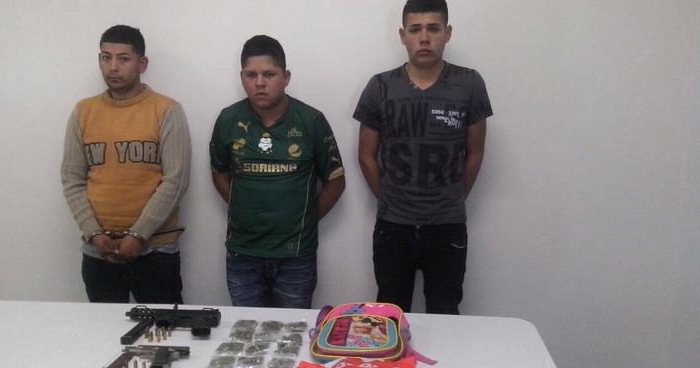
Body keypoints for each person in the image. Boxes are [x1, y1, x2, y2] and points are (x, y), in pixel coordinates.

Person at [354, 0, 493, 314]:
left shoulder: (469, 84)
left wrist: (453, 197)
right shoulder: (380, 86)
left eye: (433, 28)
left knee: (446, 313)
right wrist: (390, 198)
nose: (425, 38)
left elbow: (475, 153)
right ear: (402, 35)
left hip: (447, 226)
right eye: (415, 29)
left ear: (448, 32)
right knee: (389, 316)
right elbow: (365, 156)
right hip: (393, 226)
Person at [210, 35, 345, 309]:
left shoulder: (311, 121)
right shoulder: (228, 119)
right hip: (243, 253)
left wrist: (304, 219)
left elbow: (335, 181)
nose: (259, 83)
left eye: (269, 74)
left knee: (293, 332)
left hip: (296, 256)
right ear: (242, 77)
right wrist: (242, 207)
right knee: (247, 331)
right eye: (251, 75)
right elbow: (219, 172)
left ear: (286, 77)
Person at [61, 25, 191, 304]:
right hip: (99, 249)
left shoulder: (166, 110)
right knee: (103, 329)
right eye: (105, 57)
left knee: (164, 329)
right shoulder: (84, 112)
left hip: (155, 250)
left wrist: (138, 235)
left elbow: (176, 180)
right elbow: (72, 180)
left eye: (123, 59)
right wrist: (94, 233)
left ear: (142, 64)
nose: (113, 67)